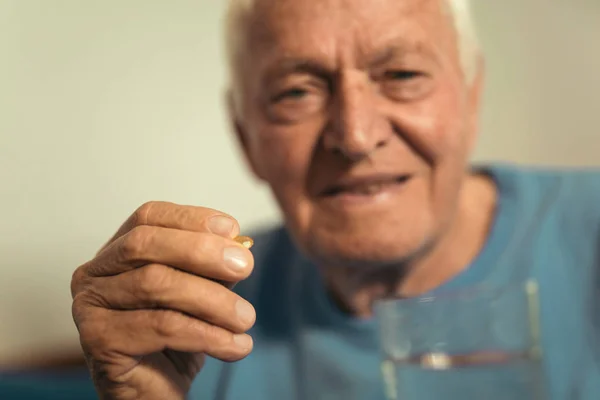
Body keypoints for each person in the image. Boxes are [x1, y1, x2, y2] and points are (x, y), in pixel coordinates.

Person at [69, 0, 600, 398]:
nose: (355, 136)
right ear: (245, 136)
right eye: (297, 91)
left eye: (402, 75)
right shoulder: (196, 324)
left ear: (471, 95)